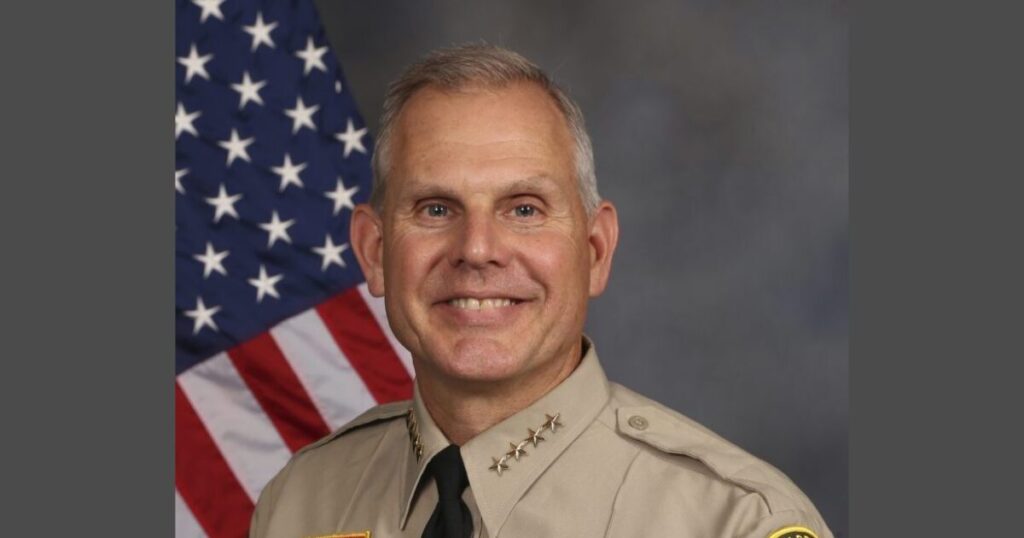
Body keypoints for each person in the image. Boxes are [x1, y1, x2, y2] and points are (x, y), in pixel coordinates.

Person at [249, 44, 833, 538]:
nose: (477, 249)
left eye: (524, 209)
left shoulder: (733, 521)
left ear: (595, 251)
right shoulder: (298, 505)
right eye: (435, 208)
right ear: (374, 252)